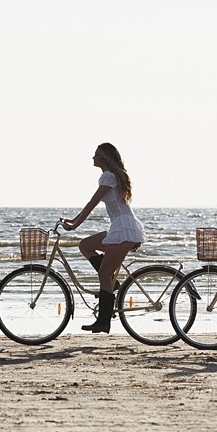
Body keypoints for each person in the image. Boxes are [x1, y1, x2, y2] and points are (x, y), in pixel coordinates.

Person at [62, 142, 144, 335]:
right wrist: (71, 220)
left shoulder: (108, 177)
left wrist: (75, 224)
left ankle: (103, 322)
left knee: (103, 275)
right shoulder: (113, 176)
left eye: (96, 154)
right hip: (122, 227)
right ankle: (112, 286)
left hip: (123, 230)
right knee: (85, 245)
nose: (93, 158)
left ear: (104, 158)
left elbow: (92, 203)